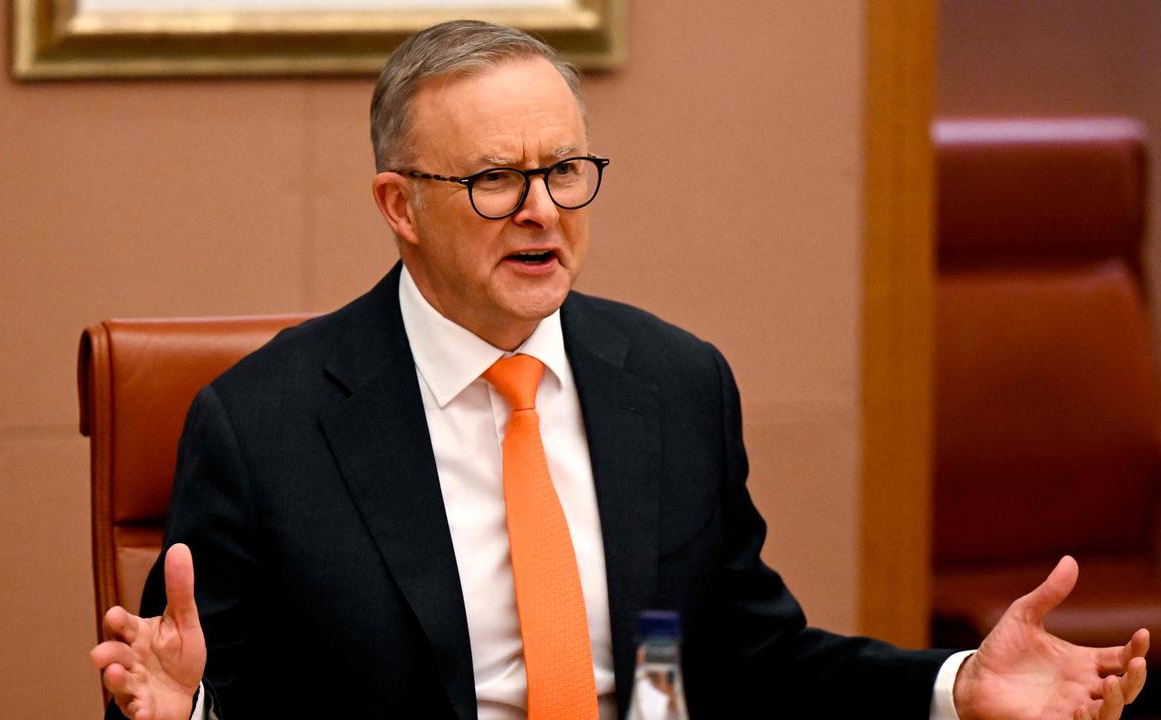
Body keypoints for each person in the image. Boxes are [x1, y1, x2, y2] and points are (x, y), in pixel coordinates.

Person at [91, 20, 1148, 720]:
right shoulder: (264, 423)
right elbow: (172, 674)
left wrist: (956, 687)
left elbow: (746, 659)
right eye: (495, 178)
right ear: (398, 207)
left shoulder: (675, 385)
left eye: (561, 169)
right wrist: (186, 708)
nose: (542, 208)